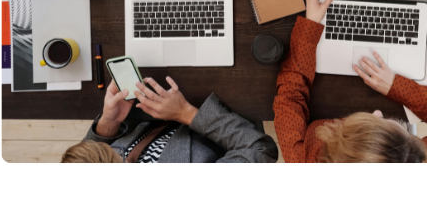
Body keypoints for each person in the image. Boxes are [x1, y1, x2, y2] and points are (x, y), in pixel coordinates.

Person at [273, 0, 427, 164]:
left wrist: (310, 25)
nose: (377, 112)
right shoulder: (411, 160)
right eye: (400, 127)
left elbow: (290, 96)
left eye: (375, 123)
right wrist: (398, 87)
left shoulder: (300, 158)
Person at [62, 77, 278, 165]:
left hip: (165, 101)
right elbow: (260, 148)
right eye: (119, 156)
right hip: (227, 110)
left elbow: (90, 155)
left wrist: (108, 123)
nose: (122, 151)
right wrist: (185, 113)